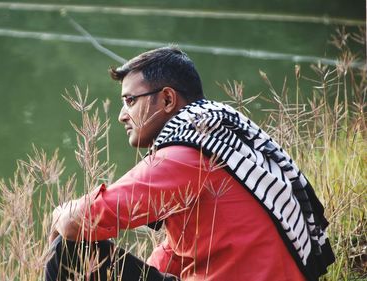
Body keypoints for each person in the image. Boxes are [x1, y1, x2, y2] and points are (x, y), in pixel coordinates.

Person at [45, 46, 334, 281]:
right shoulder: (218, 135)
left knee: (67, 249)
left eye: (130, 100)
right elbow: (180, 250)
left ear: (168, 99)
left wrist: (61, 215)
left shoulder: (186, 154)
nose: (122, 115)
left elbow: (78, 221)